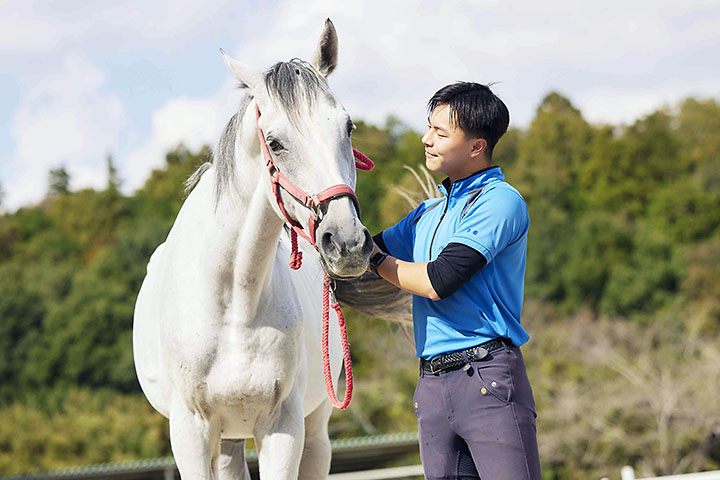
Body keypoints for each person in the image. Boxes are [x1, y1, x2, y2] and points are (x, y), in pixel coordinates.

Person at [367, 82, 541, 480]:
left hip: (487, 380)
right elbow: (355, 257)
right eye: (428, 128)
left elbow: (438, 280)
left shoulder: (500, 201)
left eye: (441, 133)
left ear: (477, 146)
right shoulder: (426, 213)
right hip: (431, 386)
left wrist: (373, 257)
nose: (426, 140)